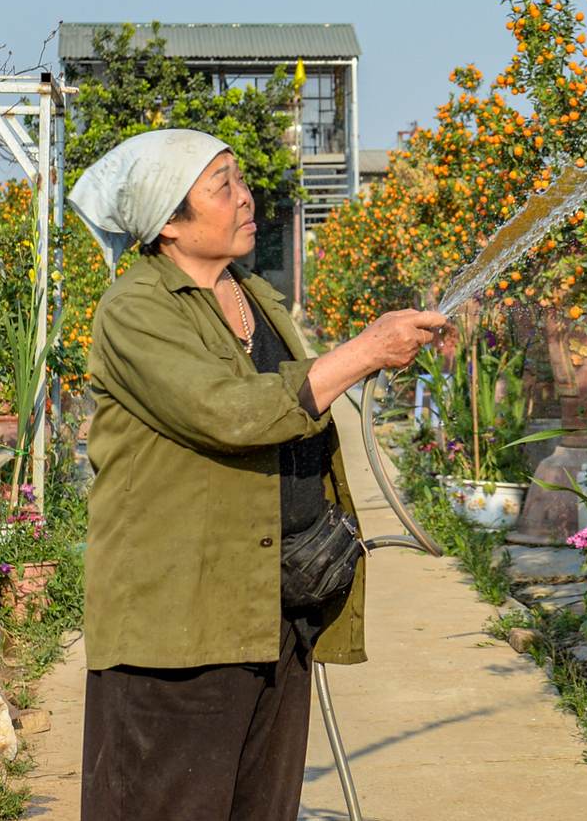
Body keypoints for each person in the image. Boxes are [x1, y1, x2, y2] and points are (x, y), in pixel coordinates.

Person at [68, 129, 445, 820]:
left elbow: (295, 395)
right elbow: (230, 412)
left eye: (241, 181)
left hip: (271, 612)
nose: (247, 199)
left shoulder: (251, 294)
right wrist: (364, 352)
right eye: (223, 187)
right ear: (169, 222)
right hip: (178, 631)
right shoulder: (138, 310)